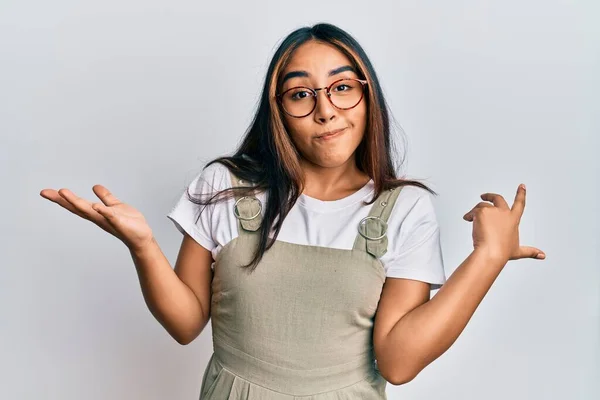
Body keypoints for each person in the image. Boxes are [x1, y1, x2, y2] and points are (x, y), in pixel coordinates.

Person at [40, 23, 546, 400]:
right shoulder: (226, 186)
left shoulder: (403, 209)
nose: (326, 110)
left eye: (343, 87)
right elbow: (186, 323)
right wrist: (143, 247)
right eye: (301, 94)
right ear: (277, 109)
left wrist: (488, 258)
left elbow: (398, 362)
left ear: (368, 98)